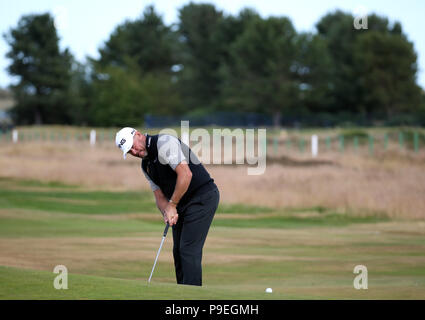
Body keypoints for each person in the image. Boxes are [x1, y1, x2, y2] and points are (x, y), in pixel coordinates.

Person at [115, 127, 219, 286]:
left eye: (133, 146)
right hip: (181, 204)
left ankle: (192, 297)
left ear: (138, 135)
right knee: (178, 252)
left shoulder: (164, 143)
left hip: (201, 197)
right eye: (129, 151)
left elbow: (186, 174)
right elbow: (159, 196)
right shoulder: (146, 166)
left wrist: (172, 205)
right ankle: (181, 293)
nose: (134, 152)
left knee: (188, 249)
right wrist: (167, 211)